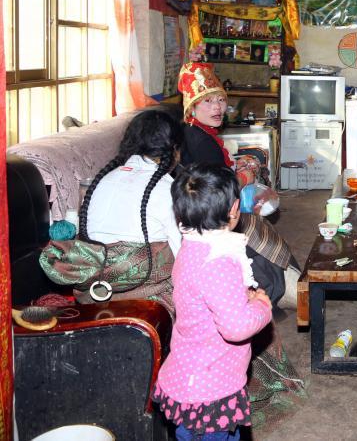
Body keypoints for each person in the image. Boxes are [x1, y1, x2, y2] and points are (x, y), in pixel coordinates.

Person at [153, 163, 272, 441]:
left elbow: (210, 297)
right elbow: (236, 327)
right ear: (233, 209)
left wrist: (243, 297)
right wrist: (261, 306)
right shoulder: (219, 262)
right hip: (208, 389)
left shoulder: (193, 246)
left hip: (191, 377)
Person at [177, 61, 297, 309]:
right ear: (192, 106)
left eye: (220, 100)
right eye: (208, 102)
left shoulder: (198, 132)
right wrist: (246, 175)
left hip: (212, 207)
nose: (218, 107)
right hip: (212, 216)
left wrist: (239, 165)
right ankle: (275, 291)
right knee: (262, 233)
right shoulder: (201, 141)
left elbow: (216, 172)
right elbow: (218, 188)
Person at [41, 109, 182, 313]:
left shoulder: (103, 180)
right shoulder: (166, 188)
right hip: (148, 303)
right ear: (174, 150)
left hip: (93, 299)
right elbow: (183, 258)